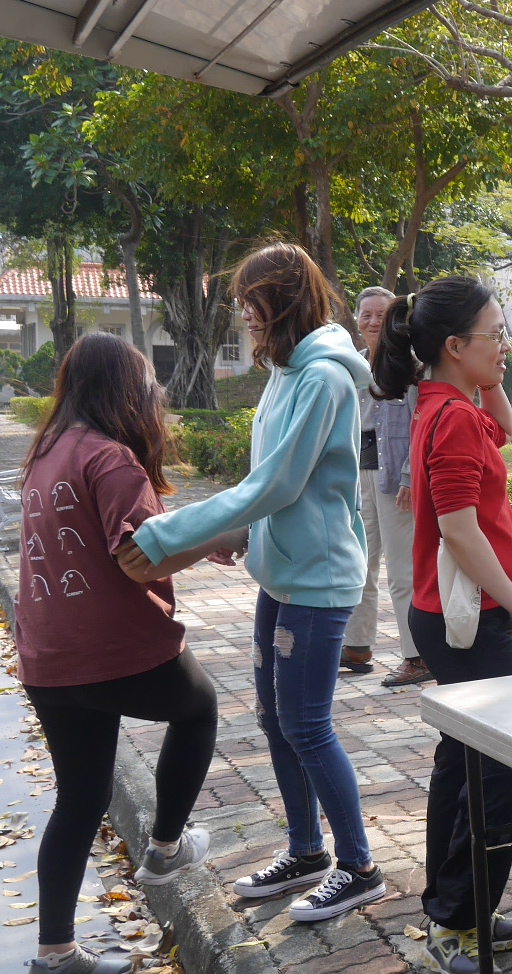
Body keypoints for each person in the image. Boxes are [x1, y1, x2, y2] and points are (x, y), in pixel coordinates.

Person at [123, 243, 386, 922]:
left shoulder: (324, 378)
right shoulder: (285, 372)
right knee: (276, 719)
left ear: (283, 301)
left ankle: (359, 864)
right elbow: (278, 493)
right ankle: (307, 850)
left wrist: (166, 534)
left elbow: (275, 483)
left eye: (252, 301)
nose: (243, 314)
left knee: (307, 724)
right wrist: (241, 536)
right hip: (281, 575)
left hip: (318, 582)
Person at [14, 333, 229, 974]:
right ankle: (165, 850)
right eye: (147, 382)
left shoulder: (45, 454)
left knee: (80, 799)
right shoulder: (112, 460)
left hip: (48, 660)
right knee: (199, 709)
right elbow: (141, 557)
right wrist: (216, 538)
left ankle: (53, 959)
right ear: (125, 390)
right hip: (116, 651)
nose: (155, 394)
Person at [369, 276, 512, 974]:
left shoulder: (446, 405)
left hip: (445, 618)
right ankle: (454, 919)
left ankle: (457, 910)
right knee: (506, 773)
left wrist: (486, 369)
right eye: (493, 335)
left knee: (463, 760)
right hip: (469, 623)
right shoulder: (451, 417)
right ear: (451, 346)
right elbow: (460, 533)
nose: (505, 347)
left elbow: (505, 427)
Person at [344, 285, 431, 686]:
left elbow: (420, 425)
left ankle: (418, 656)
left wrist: (412, 478)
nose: (374, 321)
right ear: (356, 320)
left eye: (382, 314)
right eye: (367, 314)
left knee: (402, 572)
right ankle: (358, 646)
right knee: (360, 564)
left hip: (396, 479)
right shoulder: (354, 365)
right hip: (358, 475)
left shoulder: (412, 366)